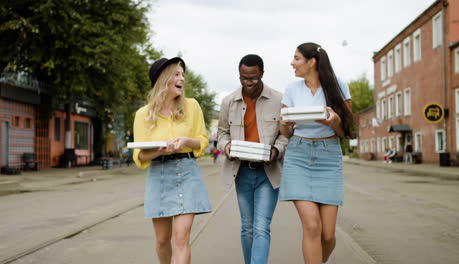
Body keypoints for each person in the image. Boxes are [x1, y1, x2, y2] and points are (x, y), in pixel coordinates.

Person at [279, 43, 354, 264]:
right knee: (312, 226)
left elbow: (346, 132)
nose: (292, 63)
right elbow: (285, 132)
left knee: (328, 236)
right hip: (298, 156)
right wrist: (285, 122)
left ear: (312, 62)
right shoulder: (292, 89)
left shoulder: (339, 86)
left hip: (328, 157)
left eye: (296, 58)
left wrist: (335, 122)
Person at [132, 57, 212, 264]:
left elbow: (202, 141)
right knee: (161, 240)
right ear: (163, 79)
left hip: (187, 171)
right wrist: (159, 150)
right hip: (159, 175)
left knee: (181, 238)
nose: (182, 79)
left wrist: (186, 140)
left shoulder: (192, 106)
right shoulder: (143, 115)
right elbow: (139, 156)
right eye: (176, 74)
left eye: (182, 74)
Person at [217, 54, 288, 264]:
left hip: (268, 172)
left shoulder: (279, 100)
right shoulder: (228, 102)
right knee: (247, 227)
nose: (249, 83)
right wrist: (227, 146)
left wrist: (276, 150)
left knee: (261, 226)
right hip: (242, 172)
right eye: (244, 78)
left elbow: (286, 134)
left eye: (254, 78)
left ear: (262, 74)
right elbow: (222, 133)